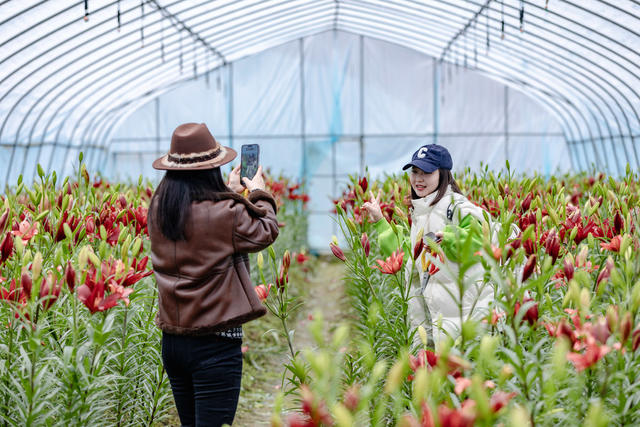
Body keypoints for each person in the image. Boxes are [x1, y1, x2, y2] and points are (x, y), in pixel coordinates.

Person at [148, 123, 279, 426]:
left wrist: (230, 194)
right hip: (215, 343)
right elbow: (266, 230)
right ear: (211, 170)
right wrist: (258, 191)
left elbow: (202, 221)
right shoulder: (225, 214)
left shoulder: (159, 208)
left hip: (173, 342)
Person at [363, 144, 492, 345]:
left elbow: (478, 242)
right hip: (436, 317)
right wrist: (380, 221)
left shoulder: (458, 207)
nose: (418, 179)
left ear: (443, 175)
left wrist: (447, 236)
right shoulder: (422, 212)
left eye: (427, 172)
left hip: (464, 318)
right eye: (415, 172)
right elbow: (408, 256)